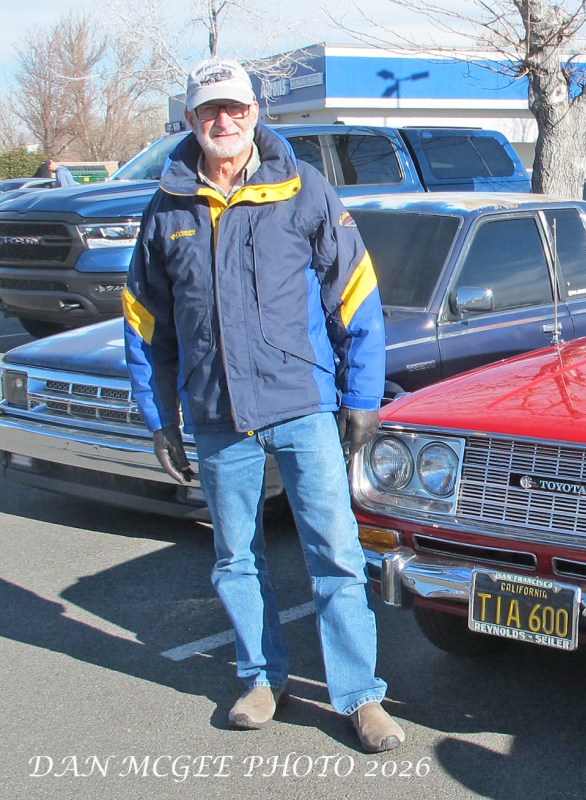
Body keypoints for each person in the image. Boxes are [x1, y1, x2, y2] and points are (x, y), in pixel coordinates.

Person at [123, 56, 404, 754]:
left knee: (335, 555)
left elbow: (356, 297)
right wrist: (160, 418)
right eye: (209, 110)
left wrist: (362, 396)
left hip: (302, 406)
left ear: (255, 113)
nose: (224, 120)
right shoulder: (168, 207)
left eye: (236, 108)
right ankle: (259, 679)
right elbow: (145, 324)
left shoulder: (304, 190)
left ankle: (360, 696)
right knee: (235, 559)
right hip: (218, 415)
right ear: (190, 119)